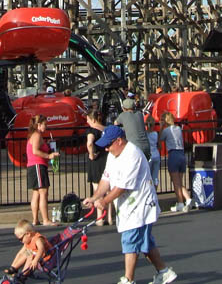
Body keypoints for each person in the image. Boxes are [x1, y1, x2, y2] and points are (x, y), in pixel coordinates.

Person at [82, 124, 176, 284]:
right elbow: (106, 179)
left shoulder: (133, 155)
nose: (106, 149)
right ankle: (164, 272)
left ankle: (128, 279)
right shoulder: (113, 154)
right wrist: (94, 197)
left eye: (108, 145)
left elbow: (122, 186)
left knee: (130, 241)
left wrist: (104, 201)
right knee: (145, 243)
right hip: (129, 207)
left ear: (119, 141)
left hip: (140, 206)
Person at [25, 116, 56, 226]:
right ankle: (45, 219)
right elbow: (35, 151)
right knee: (43, 192)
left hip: (34, 165)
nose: (46, 127)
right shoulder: (37, 135)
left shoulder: (35, 136)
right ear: (39, 125)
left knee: (36, 192)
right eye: (45, 124)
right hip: (38, 165)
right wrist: (49, 155)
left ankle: (35, 219)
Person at [85, 110, 114, 226]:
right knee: (108, 189)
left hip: (96, 161)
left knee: (98, 189)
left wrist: (91, 155)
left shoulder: (92, 130)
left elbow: (90, 143)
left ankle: (99, 217)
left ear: (93, 119)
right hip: (106, 158)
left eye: (87, 119)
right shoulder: (105, 129)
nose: (87, 121)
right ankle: (110, 217)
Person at [158, 111, 191, 212]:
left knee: (175, 182)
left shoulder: (166, 131)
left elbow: (159, 140)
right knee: (179, 181)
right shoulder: (178, 129)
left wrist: (160, 127)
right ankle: (188, 199)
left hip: (173, 155)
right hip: (181, 154)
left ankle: (181, 202)